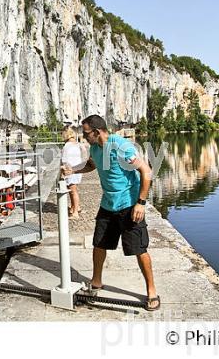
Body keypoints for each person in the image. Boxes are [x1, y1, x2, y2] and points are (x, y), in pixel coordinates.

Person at [61, 114, 160, 311]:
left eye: (86, 133)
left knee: (139, 249)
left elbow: (146, 171)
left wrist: (140, 203)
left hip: (129, 204)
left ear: (96, 132)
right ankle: (96, 281)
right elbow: (92, 165)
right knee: (99, 244)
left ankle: (152, 291)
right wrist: (74, 171)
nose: (83, 137)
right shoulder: (96, 148)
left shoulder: (120, 146)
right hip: (108, 204)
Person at [61, 127, 83, 219]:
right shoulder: (77, 144)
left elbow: (64, 159)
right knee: (72, 190)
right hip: (77, 169)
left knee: (73, 191)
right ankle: (74, 207)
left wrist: (62, 169)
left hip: (71, 170)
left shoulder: (67, 146)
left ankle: (75, 212)